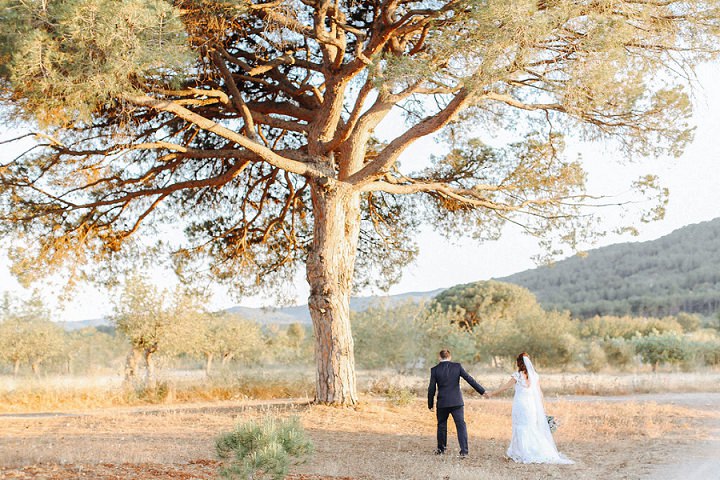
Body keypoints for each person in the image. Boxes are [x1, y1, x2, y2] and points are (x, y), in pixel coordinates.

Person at [486, 352, 573, 464]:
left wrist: (491, 393)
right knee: (531, 427)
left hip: (520, 406)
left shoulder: (517, 375)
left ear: (518, 363)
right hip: (531, 406)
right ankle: (532, 450)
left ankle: (522, 452)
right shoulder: (535, 376)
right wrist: (542, 408)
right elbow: (540, 393)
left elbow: (504, 388)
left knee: (520, 427)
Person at [427, 349, 486, 457]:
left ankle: (441, 450)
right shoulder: (457, 367)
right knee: (461, 425)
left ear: (439, 357)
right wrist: (482, 391)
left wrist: (430, 404)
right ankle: (464, 451)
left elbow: (431, 388)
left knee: (441, 425)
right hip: (456, 402)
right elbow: (470, 379)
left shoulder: (435, 370)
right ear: (450, 357)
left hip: (442, 402)